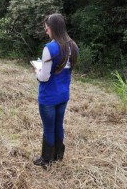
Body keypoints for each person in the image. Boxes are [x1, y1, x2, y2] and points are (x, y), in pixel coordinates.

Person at [33, 13, 79, 166]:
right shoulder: (73, 46)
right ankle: (58, 155)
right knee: (58, 125)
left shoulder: (50, 48)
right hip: (63, 94)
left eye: (46, 29)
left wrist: (37, 73)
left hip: (48, 97)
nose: (46, 32)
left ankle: (46, 159)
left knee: (48, 128)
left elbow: (44, 77)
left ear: (52, 28)